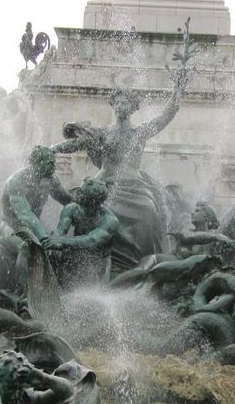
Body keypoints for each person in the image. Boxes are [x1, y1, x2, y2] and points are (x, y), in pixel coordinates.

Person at [51, 67, 189, 273]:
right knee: (83, 211)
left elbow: (165, 117)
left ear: (133, 108)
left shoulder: (140, 132)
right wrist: (52, 150)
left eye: (126, 102)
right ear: (113, 106)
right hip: (104, 187)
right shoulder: (103, 133)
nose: (121, 105)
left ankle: (141, 266)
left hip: (135, 187)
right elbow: (75, 144)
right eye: (118, 102)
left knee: (149, 211)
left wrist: (177, 90)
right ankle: (82, 263)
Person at [0, 146, 72, 293]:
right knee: (28, 247)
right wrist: (43, 237)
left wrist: (86, 203)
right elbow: (24, 214)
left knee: (57, 249)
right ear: (36, 163)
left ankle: (55, 291)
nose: (54, 167)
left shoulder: (50, 178)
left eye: (54, 162)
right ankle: (23, 295)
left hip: (33, 227)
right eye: (49, 163)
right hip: (11, 227)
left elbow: (66, 199)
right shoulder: (16, 181)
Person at [44, 177, 120, 287]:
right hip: (74, 253)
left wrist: (62, 241)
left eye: (82, 192)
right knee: (53, 254)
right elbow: (60, 230)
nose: (77, 193)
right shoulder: (72, 208)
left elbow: (91, 240)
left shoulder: (109, 220)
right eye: (79, 190)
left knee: (86, 290)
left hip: (97, 262)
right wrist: (53, 242)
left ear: (94, 200)